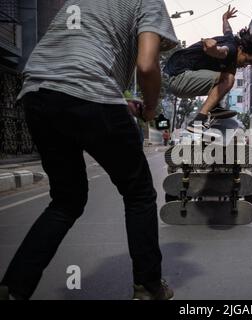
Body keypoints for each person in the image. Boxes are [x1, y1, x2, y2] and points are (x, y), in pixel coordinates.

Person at [0, 0, 178, 300]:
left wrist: (118, 102)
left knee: (66, 201)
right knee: (138, 193)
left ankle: (13, 288)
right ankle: (148, 287)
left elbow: (73, 65)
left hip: (37, 94)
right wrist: (150, 108)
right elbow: (147, 65)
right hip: (89, 95)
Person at [164, 6, 252, 134]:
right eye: (247, 60)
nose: (245, 65)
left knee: (230, 70)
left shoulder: (231, 39)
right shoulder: (231, 50)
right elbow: (222, 51)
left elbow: (227, 30)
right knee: (228, 78)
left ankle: (215, 108)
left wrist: (225, 18)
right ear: (242, 48)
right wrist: (214, 49)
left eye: (249, 64)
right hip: (180, 78)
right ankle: (198, 121)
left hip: (182, 77)